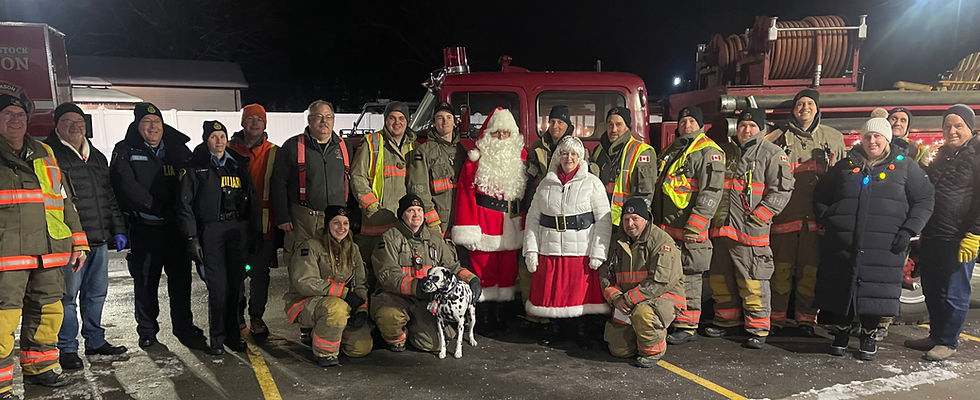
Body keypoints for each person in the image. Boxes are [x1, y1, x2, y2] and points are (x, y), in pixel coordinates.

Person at [813, 117, 934, 361]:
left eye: (878, 136)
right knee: (841, 287)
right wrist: (829, 218)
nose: (872, 141)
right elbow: (821, 194)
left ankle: (868, 335)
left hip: (885, 242)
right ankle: (842, 333)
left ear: (887, 139)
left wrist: (909, 230)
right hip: (844, 241)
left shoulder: (906, 166)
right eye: (868, 136)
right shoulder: (846, 165)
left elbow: (925, 199)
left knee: (875, 290)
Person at [1, 94, 89, 395]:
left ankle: (40, 366)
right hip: (7, 252)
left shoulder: (45, 152)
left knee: (49, 311)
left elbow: (63, 201)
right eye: (8, 114)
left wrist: (78, 242)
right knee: (3, 318)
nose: (16, 120)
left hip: (49, 251)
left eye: (20, 114)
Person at [110, 102, 206, 350]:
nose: (153, 127)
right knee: (145, 282)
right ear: (137, 125)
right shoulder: (125, 150)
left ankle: (184, 326)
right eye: (147, 123)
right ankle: (147, 331)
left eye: (157, 123)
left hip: (176, 230)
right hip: (145, 229)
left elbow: (193, 183)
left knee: (181, 282)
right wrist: (156, 207)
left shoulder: (178, 150)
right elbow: (125, 185)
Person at [44, 103, 128, 371]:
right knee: (67, 296)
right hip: (69, 242)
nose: (75, 126)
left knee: (96, 293)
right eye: (67, 121)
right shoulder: (50, 154)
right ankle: (67, 347)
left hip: (99, 238)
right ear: (57, 125)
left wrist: (118, 229)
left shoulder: (97, 157)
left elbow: (109, 196)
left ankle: (95, 340)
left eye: (79, 121)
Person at [703, 109, 794, 349]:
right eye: (743, 125)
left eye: (752, 126)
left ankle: (757, 328)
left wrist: (761, 216)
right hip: (722, 229)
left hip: (751, 230)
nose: (746, 130)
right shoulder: (726, 151)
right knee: (720, 279)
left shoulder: (771, 154)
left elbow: (782, 190)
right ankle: (726, 320)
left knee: (752, 281)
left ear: (761, 129)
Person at [765, 89, 846, 335]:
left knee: (810, 275)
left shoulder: (833, 138)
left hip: (816, 222)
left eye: (810, 103)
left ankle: (805, 321)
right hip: (783, 219)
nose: (805, 108)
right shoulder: (776, 138)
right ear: (793, 108)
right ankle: (776, 320)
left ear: (817, 108)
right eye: (800, 104)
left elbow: (842, 181)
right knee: (780, 273)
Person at [178, 121, 261, 355]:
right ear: (206, 140)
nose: (219, 141)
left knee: (236, 286)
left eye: (222, 136)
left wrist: (254, 232)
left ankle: (233, 335)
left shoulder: (237, 165)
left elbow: (252, 200)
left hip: (236, 231)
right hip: (210, 232)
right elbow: (184, 206)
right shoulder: (195, 168)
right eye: (214, 137)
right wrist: (191, 238)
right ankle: (217, 337)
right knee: (218, 289)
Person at [270, 100, 349, 345]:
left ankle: (329, 318)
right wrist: (282, 217)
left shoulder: (343, 147)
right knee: (302, 270)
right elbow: (278, 183)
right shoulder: (293, 147)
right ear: (309, 120)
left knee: (333, 267)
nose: (323, 122)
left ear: (334, 120)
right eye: (318, 117)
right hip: (302, 218)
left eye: (328, 117)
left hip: (334, 222)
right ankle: (306, 321)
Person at [905, 104, 980, 361]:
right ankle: (936, 335)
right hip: (934, 233)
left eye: (958, 125)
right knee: (932, 287)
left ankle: (948, 341)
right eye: (947, 125)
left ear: (969, 128)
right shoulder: (942, 155)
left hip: (959, 237)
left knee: (954, 291)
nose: (952, 130)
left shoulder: (977, 154)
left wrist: (975, 233)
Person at [523, 136, 612, 347]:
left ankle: (579, 330)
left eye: (573, 154)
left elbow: (604, 219)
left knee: (577, 293)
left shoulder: (592, 183)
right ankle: (555, 328)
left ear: (580, 158)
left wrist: (598, 252)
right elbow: (533, 218)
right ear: (558, 156)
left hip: (580, 249)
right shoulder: (546, 184)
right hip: (549, 247)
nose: (568, 158)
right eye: (564, 153)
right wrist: (531, 250)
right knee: (552, 293)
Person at [371, 194, 481, 352]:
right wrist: (416, 286)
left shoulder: (435, 238)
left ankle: (415, 329)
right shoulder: (389, 238)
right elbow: (388, 275)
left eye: (419, 210)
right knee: (390, 317)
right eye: (410, 210)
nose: (416, 214)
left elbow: (451, 267)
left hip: (426, 300)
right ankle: (398, 339)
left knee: (433, 344)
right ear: (402, 214)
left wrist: (471, 279)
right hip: (396, 297)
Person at [653, 106, 725, 345]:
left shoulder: (709, 152)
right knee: (671, 274)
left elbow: (711, 191)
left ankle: (688, 325)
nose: (686, 125)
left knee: (691, 274)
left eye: (692, 121)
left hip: (690, 227)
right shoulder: (673, 149)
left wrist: (697, 223)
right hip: (669, 226)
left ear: (701, 125)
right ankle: (675, 318)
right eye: (683, 121)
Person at [452, 108, 527, 335]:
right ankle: (482, 318)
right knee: (483, 271)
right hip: (484, 224)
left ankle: (501, 315)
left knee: (507, 272)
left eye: (506, 133)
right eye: (497, 133)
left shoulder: (520, 158)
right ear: (489, 135)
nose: (502, 138)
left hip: (510, 225)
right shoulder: (475, 161)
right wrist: (469, 229)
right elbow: (465, 196)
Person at [598, 198, 685, 368]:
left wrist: (628, 299)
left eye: (635, 218)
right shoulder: (617, 241)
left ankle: (653, 351)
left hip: (661, 298)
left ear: (646, 219)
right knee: (619, 350)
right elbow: (605, 274)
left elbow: (660, 282)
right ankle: (639, 337)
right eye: (626, 219)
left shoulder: (661, 241)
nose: (630, 224)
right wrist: (616, 298)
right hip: (628, 300)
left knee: (643, 313)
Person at [284, 206, 373, 367]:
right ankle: (325, 353)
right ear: (327, 225)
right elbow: (304, 282)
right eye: (336, 223)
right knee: (335, 308)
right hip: (308, 302)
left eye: (345, 223)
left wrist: (361, 309)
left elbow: (360, 283)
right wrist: (344, 294)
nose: (342, 228)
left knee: (360, 348)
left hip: (341, 304)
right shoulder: (310, 247)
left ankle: (329, 332)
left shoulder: (353, 249)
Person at [519, 105, 575, 336]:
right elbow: (528, 175)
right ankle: (536, 314)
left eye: (560, 122)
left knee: (558, 267)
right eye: (552, 122)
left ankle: (561, 319)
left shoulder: (574, 148)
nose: (556, 126)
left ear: (567, 125)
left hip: (563, 214)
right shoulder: (537, 148)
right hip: (539, 208)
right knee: (534, 264)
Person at [228, 103, 280, 338]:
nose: (255, 122)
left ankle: (256, 317)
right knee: (235, 273)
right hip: (234, 225)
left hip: (264, 224)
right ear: (242, 122)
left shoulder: (274, 152)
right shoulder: (227, 149)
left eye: (260, 119)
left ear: (265, 123)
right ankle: (236, 317)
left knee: (260, 274)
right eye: (250, 119)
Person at [351, 101, 416, 264]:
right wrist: (372, 207)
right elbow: (357, 177)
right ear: (385, 120)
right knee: (374, 266)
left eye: (401, 118)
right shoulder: (372, 142)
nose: (397, 122)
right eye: (392, 118)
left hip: (404, 220)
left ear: (407, 121)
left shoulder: (414, 146)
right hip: (376, 219)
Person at [592, 106, 657, 226]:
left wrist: (636, 223)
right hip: (600, 219)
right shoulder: (598, 150)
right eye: (610, 124)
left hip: (626, 222)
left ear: (627, 126)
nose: (613, 129)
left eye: (619, 124)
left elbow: (645, 193)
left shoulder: (642, 151)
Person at [406, 102, 465, 233]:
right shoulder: (424, 151)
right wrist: (431, 219)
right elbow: (418, 189)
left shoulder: (461, 151)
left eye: (449, 117)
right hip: (438, 222)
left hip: (460, 221)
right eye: (440, 118)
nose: (445, 122)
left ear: (455, 122)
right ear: (433, 123)